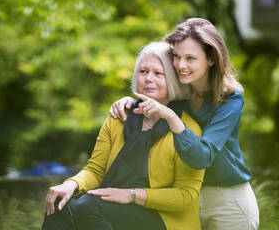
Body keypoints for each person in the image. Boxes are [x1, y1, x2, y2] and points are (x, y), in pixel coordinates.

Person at [109, 18, 259, 230]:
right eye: (177, 57)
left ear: (211, 59)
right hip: (186, 200)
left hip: (228, 201)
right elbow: (154, 95)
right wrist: (129, 103)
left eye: (190, 58)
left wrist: (171, 117)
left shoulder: (230, 99)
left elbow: (202, 156)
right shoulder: (181, 90)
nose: (181, 65)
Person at [42, 41, 205, 230]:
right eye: (143, 72)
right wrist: (70, 185)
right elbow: (96, 170)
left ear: (172, 80)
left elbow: (185, 195)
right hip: (112, 205)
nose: (148, 78)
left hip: (165, 219)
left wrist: (131, 195)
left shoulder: (187, 129)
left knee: (89, 207)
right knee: (58, 204)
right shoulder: (119, 117)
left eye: (158, 73)